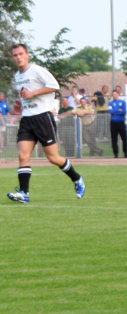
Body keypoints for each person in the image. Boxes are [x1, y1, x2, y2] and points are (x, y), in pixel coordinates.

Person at [7, 43, 85, 203]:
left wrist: (33, 93)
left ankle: (77, 178)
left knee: (53, 157)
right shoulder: (17, 76)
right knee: (23, 155)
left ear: (27, 55)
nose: (18, 57)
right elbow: (25, 96)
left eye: (21, 54)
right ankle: (24, 193)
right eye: (15, 55)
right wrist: (20, 104)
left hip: (43, 118)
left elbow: (54, 86)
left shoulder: (36, 70)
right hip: (27, 119)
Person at [108, 88, 127, 157]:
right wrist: (118, 109)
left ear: (118, 94)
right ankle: (115, 153)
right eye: (113, 94)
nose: (114, 95)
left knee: (124, 138)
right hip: (113, 122)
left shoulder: (122, 102)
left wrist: (115, 110)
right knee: (114, 139)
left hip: (121, 122)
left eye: (115, 94)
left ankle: (125, 152)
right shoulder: (111, 102)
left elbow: (123, 111)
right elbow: (110, 111)